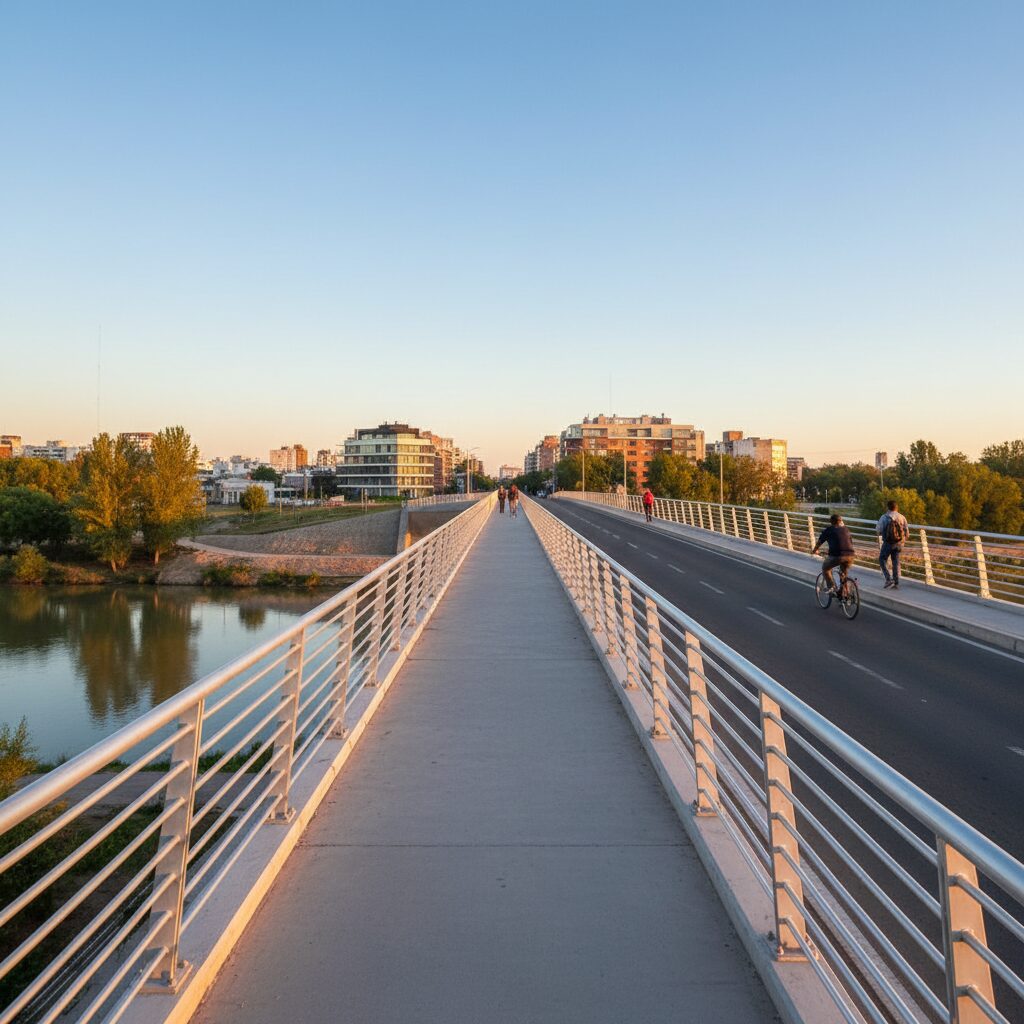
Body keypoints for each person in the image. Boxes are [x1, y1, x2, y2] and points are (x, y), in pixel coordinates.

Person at [812, 513, 856, 594]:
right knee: (843, 575)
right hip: (850, 555)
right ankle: (844, 594)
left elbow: (820, 542)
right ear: (841, 521)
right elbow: (847, 542)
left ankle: (832, 586)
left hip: (838, 556)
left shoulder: (829, 530)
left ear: (831, 522)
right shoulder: (846, 529)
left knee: (825, 568)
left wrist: (814, 550)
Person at [877, 499, 909, 589]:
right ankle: (896, 583)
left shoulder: (884, 517)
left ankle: (888, 579)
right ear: (896, 507)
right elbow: (907, 533)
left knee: (882, 560)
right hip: (899, 544)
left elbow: (878, 530)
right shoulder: (902, 517)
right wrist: (901, 541)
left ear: (888, 507)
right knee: (895, 562)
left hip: (887, 543)